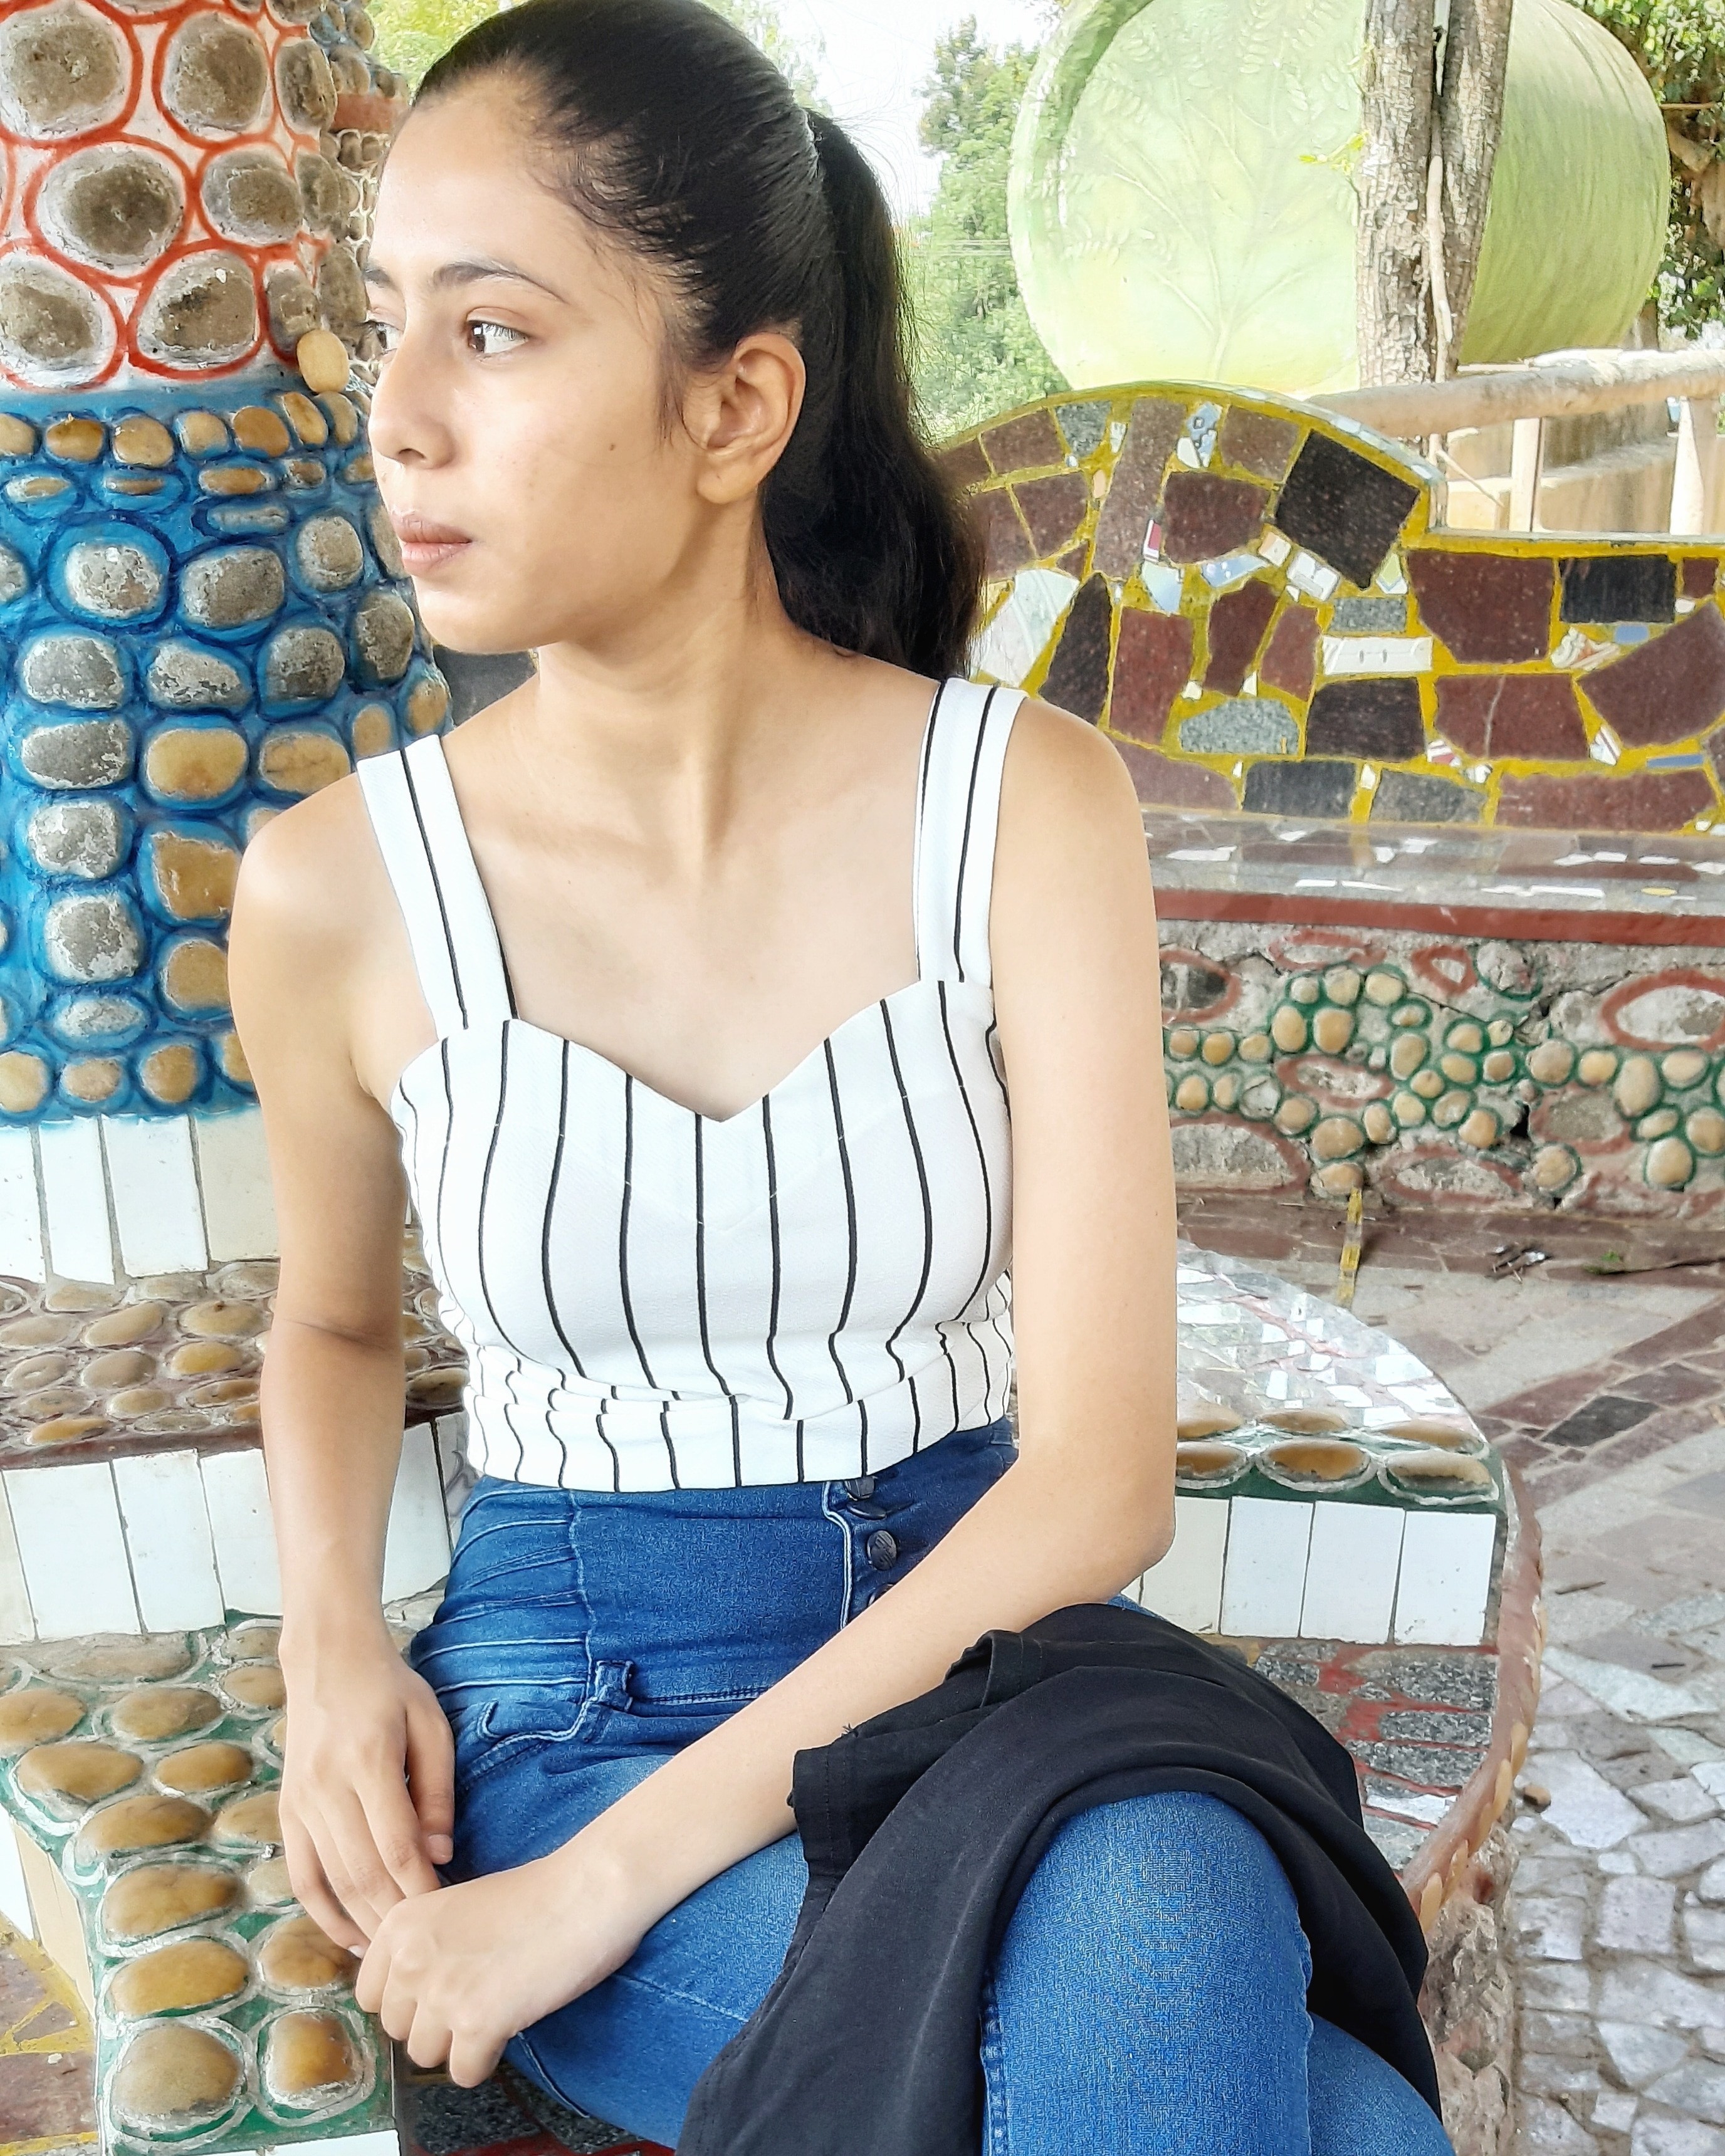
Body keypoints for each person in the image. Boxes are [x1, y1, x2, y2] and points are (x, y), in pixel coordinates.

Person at [228, 3, 1454, 2148]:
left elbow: (1100, 1483)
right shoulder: (339, 892)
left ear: (738, 406)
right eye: (388, 320)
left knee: (1163, 1925)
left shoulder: (1022, 809)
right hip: (574, 1699)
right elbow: (333, 1324)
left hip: (1002, 1656)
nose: (396, 416)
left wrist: (591, 1901)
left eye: (490, 332)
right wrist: (330, 1642)